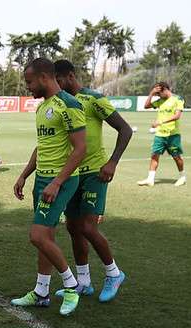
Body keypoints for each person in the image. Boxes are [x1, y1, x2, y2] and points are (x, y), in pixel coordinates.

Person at [11, 58, 87, 316]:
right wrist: (24, 175)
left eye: (30, 82)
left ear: (44, 77)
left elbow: (80, 149)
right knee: (46, 238)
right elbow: (41, 146)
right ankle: (41, 292)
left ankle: (71, 285)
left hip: (60, 181)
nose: (28, 88)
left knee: (37, 236)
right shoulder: (43, 108)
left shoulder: (69, 104)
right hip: (43, 180)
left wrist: (57, 182)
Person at [54, 59, 132, 302]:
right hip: (74, 174)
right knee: (73, 228)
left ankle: (113, 273)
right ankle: (84, 282)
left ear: (69, 75)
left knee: (88, 227)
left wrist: (112, 162)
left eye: (58, 80)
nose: (56, 86)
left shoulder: (93, 99)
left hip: (95, 173)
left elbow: (125, 129)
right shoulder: (63, 103)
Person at [137, 82, 186, 187]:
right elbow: (146, 106)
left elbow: (177, 116)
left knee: (176, 157)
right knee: (155, 155)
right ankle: (150, 179)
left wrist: (161, 122)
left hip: (173, 135)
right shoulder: (160, 101)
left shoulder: (178, 99)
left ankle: (182, 177)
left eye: (159, 94)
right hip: (160, 134)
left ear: (165, 90)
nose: (158, 96)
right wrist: (151, 93)